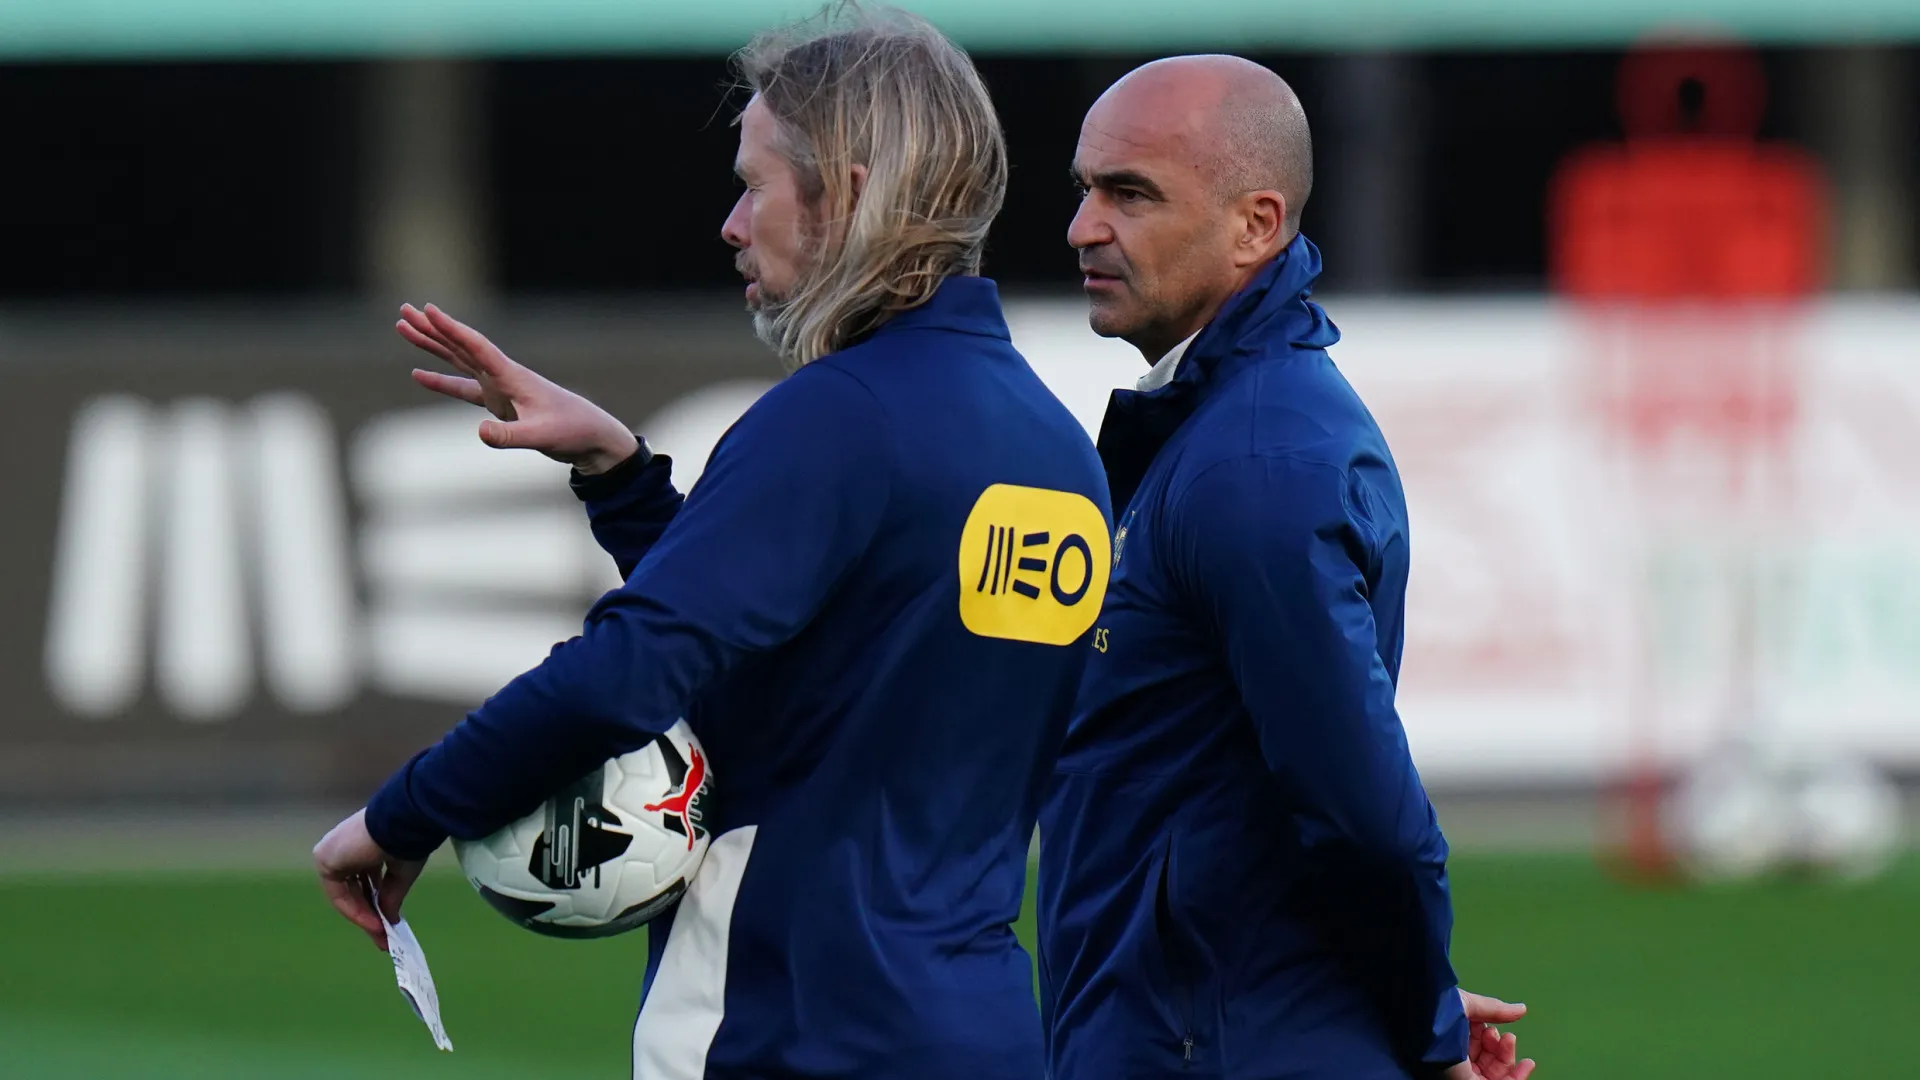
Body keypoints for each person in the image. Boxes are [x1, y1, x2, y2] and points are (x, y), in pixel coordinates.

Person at [311, 7, 1112, 1079]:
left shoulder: (840, 416)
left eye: (754, 186)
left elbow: (625, 677)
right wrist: (622, 478)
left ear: (850, 194)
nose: (732, 224)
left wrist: (404, 814)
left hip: (787, 1028)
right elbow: (820, 675)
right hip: (983, 1030)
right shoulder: (1059, 451)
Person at [1035, 56, 1536, 1080]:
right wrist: (1412, 999)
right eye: (1084, 189)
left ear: (1255, 225)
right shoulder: (1221, 430)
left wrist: (1424, 1023)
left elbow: (1365, 815)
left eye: (1130, 194)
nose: (1084, 227)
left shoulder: (1254, 466)